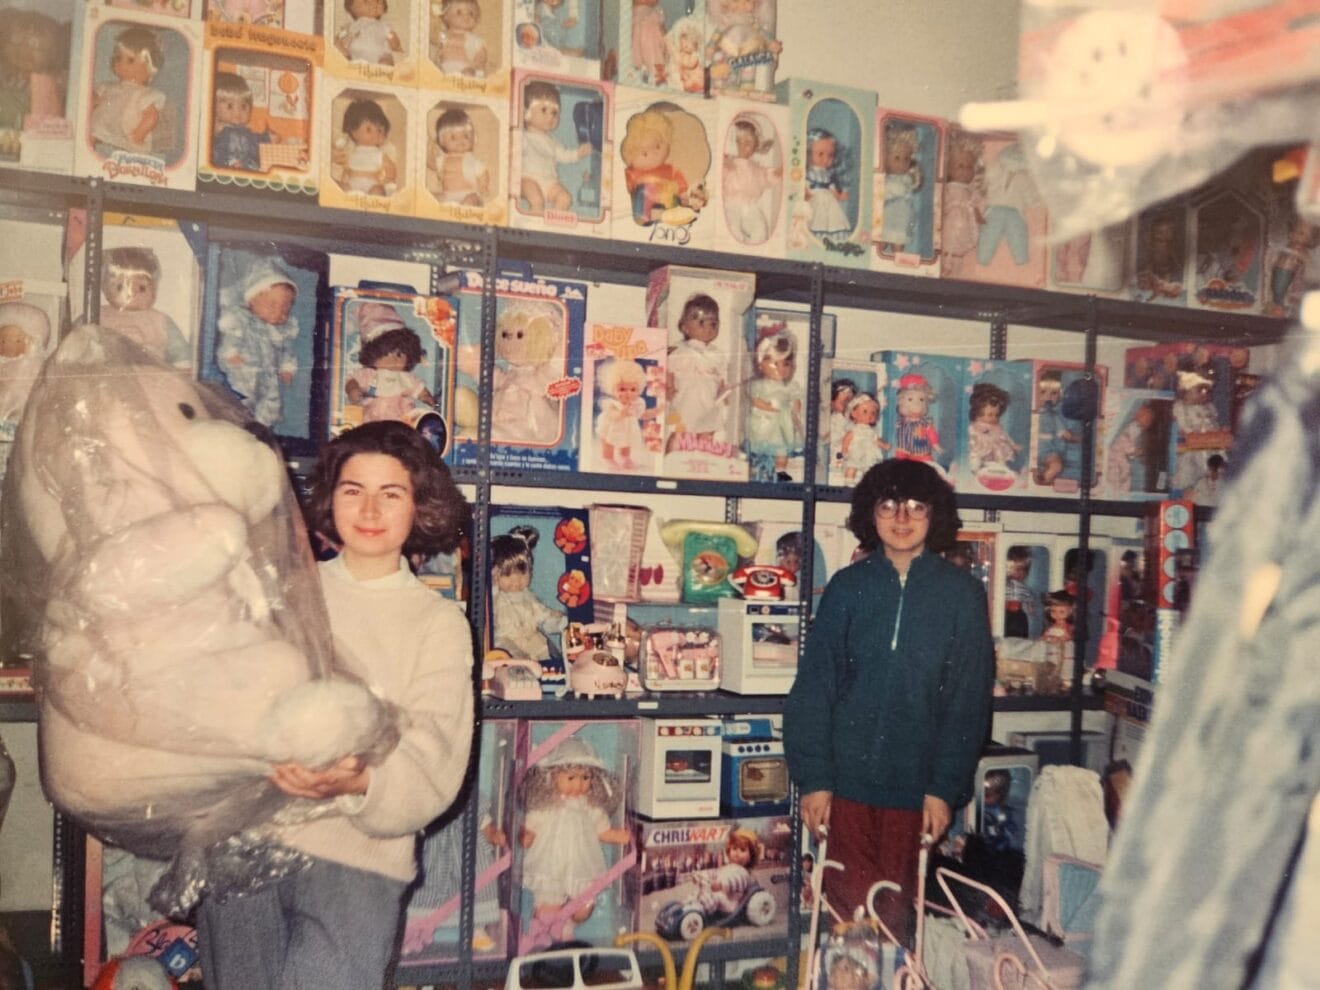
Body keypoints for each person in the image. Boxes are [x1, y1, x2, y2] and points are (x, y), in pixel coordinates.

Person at [194, 420, 475, 990]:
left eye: (390, 493)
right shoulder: (286, 592)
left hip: (360, 858)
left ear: (419, 506)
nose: (369, 509)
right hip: (249, 837)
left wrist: (360, 782)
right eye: (353, 490)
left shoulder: (439, 623)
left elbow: (437, 757)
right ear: (329, 498)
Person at [784, 459, 995, 943]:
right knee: (845, 929)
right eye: (889, 505)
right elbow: (813, 690)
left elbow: (968, 705)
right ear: (871, 514)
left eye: (916, 506)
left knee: (897, 931)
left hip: (916, 795)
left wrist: (943, 789)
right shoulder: (846, 589)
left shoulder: (961, 595)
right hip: (845, 793)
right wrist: (815, 780)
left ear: (934, 514)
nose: (902, 518)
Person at [517, 736, 629, 940]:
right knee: (548, 904)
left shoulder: (589, 806)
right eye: (571, 778)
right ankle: (542, 926)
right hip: (551, 863)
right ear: (553, 776)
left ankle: (566, 925)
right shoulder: (548, 806)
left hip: (582, 864)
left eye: (585, 778)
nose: (578, 784)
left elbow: (601, 830)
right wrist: (527, 834)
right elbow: (532, 824)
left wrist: (617, 836)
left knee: (584, 906)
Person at [216, 255, 300, 427]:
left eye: (285, 308)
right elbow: (231, 336)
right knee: (241, 400)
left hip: (268, 377)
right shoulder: (242, 319)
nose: (278, 313)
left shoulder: (280, 331)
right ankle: (240, 426)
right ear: (251, 300)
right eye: (271, 305)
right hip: (244, 369)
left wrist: (287, 368)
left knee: (271, 402)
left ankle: (262, 430)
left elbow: (286, 352)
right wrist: (231, 353)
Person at [99, 246, 192, 368]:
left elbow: (179, 350)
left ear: (154, 289)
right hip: (109, 377)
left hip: (150, 376)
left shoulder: (160, 321)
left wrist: (183, 367)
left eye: (141, 288)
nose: (131, 294)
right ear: (106, 289)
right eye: (120, 287)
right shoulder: (99, 315)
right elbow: (78, 338)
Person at [344, 302, 436, 424]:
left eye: (400, 354)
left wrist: (426, 397)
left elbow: (418, 389)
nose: (394, 359)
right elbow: (352, 380)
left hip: (401, 417)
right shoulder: (368, 374)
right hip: (372, 418)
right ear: (373, 354)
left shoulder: (405, 377)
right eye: (386, 353)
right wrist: (352, 389)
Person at [89, 26, 165, 157]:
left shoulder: (144, 93)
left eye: (130, 60)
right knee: (90, 139)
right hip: (101, 131)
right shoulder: (108, 86)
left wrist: (139, 133)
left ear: (150, 66)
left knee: (127, 157)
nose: (121, 64)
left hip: (128, 136)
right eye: (118, 58)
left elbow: (152, 116)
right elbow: (95, 100)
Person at [518, 80, 590, 215]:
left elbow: (564, 155)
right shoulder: (523, 137)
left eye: (555, 112)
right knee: (537, 200)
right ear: (526, 113)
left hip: (550, 182)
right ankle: (535, 224)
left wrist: (578, 153)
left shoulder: (553, 142)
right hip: (528, 179)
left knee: (565, 198)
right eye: (544, 110)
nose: (551, 116)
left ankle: (552, 223)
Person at [745, 331, 804, 482]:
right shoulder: (759, 384)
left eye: (786, 364)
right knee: (759, 447)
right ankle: (755, 468)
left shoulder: (790, 386)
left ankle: (780, 470)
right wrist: (762, 404)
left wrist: (796, 405)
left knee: (781, 449)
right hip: (764, 422)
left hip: (782, 424)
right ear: (760, 364)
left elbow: (795, 399)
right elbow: (753, 398)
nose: (781, 369)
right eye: (774, 363)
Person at [333, 97, 399, 196]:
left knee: (377, 191)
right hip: (351, 184)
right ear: (354, 132)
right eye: (368, 129)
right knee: (340, 187)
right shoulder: (350, 149)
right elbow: (338, 159)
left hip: (372, 185)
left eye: (378, 130)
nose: (375, 133)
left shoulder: (379, 153)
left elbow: (391, 168)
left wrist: (388, 181)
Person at [430, 106, 490, 207]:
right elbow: (431, 163)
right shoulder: (442, 160)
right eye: (453, 137)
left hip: (469, 194)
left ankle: (461, 209)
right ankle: (452, 209)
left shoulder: (472, 161)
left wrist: (484, 186)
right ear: (441, 142)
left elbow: (483, 173)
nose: (461, 141)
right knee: (430, 197)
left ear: (473, 138)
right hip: (448, 195)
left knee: (471, 200)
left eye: (466, 136)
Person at [211, 71, 269, 172]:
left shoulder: (244, 132)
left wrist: (267, 138)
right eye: (229, 106)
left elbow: (254, 143)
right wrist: (215, 133)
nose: (238, 113)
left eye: (243, 106)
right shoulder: (217, 129)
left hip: (247, 169)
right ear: (213, 106)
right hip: (224, 169)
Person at [804, 128, 850, 241]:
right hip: (814, 201)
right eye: (820, 154)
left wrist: (839, 195)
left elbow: (831, 187)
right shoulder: (809, 173)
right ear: (808, 153)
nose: (826, 159)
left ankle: (831, 239)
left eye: (830, 155)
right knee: (815, 221)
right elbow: (806, 185)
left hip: (829, 203)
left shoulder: (828, 174)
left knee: (833, 221)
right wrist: (805, 194)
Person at [336, 0, 403, 66]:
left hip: (380, 56)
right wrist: (340, 44)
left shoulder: (383, 26)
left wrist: (395, 43)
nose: (373, 3)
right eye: (366, 1)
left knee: (386, 61)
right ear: (351, 8)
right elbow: (340, 38)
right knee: (342, 55)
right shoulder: (350, 26)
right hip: (355, 57)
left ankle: (382, 72)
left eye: (378, 1)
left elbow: (392, 38)